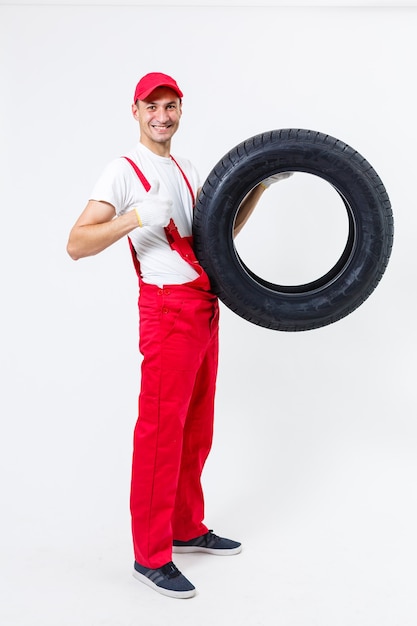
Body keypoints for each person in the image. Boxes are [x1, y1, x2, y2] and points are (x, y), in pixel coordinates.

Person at [66, 72, 290, 599]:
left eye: (171, 106)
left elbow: (216, 236)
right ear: (135, 110)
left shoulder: (186, 168)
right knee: (161, 433)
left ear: (181, 110)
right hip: (166, 312)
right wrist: (134, 218)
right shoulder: (122, 172)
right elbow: (77, 243)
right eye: (152, 106)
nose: (162, 115)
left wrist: (256, 187)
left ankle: (186, 527)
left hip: (205, 307)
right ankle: (150, 556)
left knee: (196, 428)